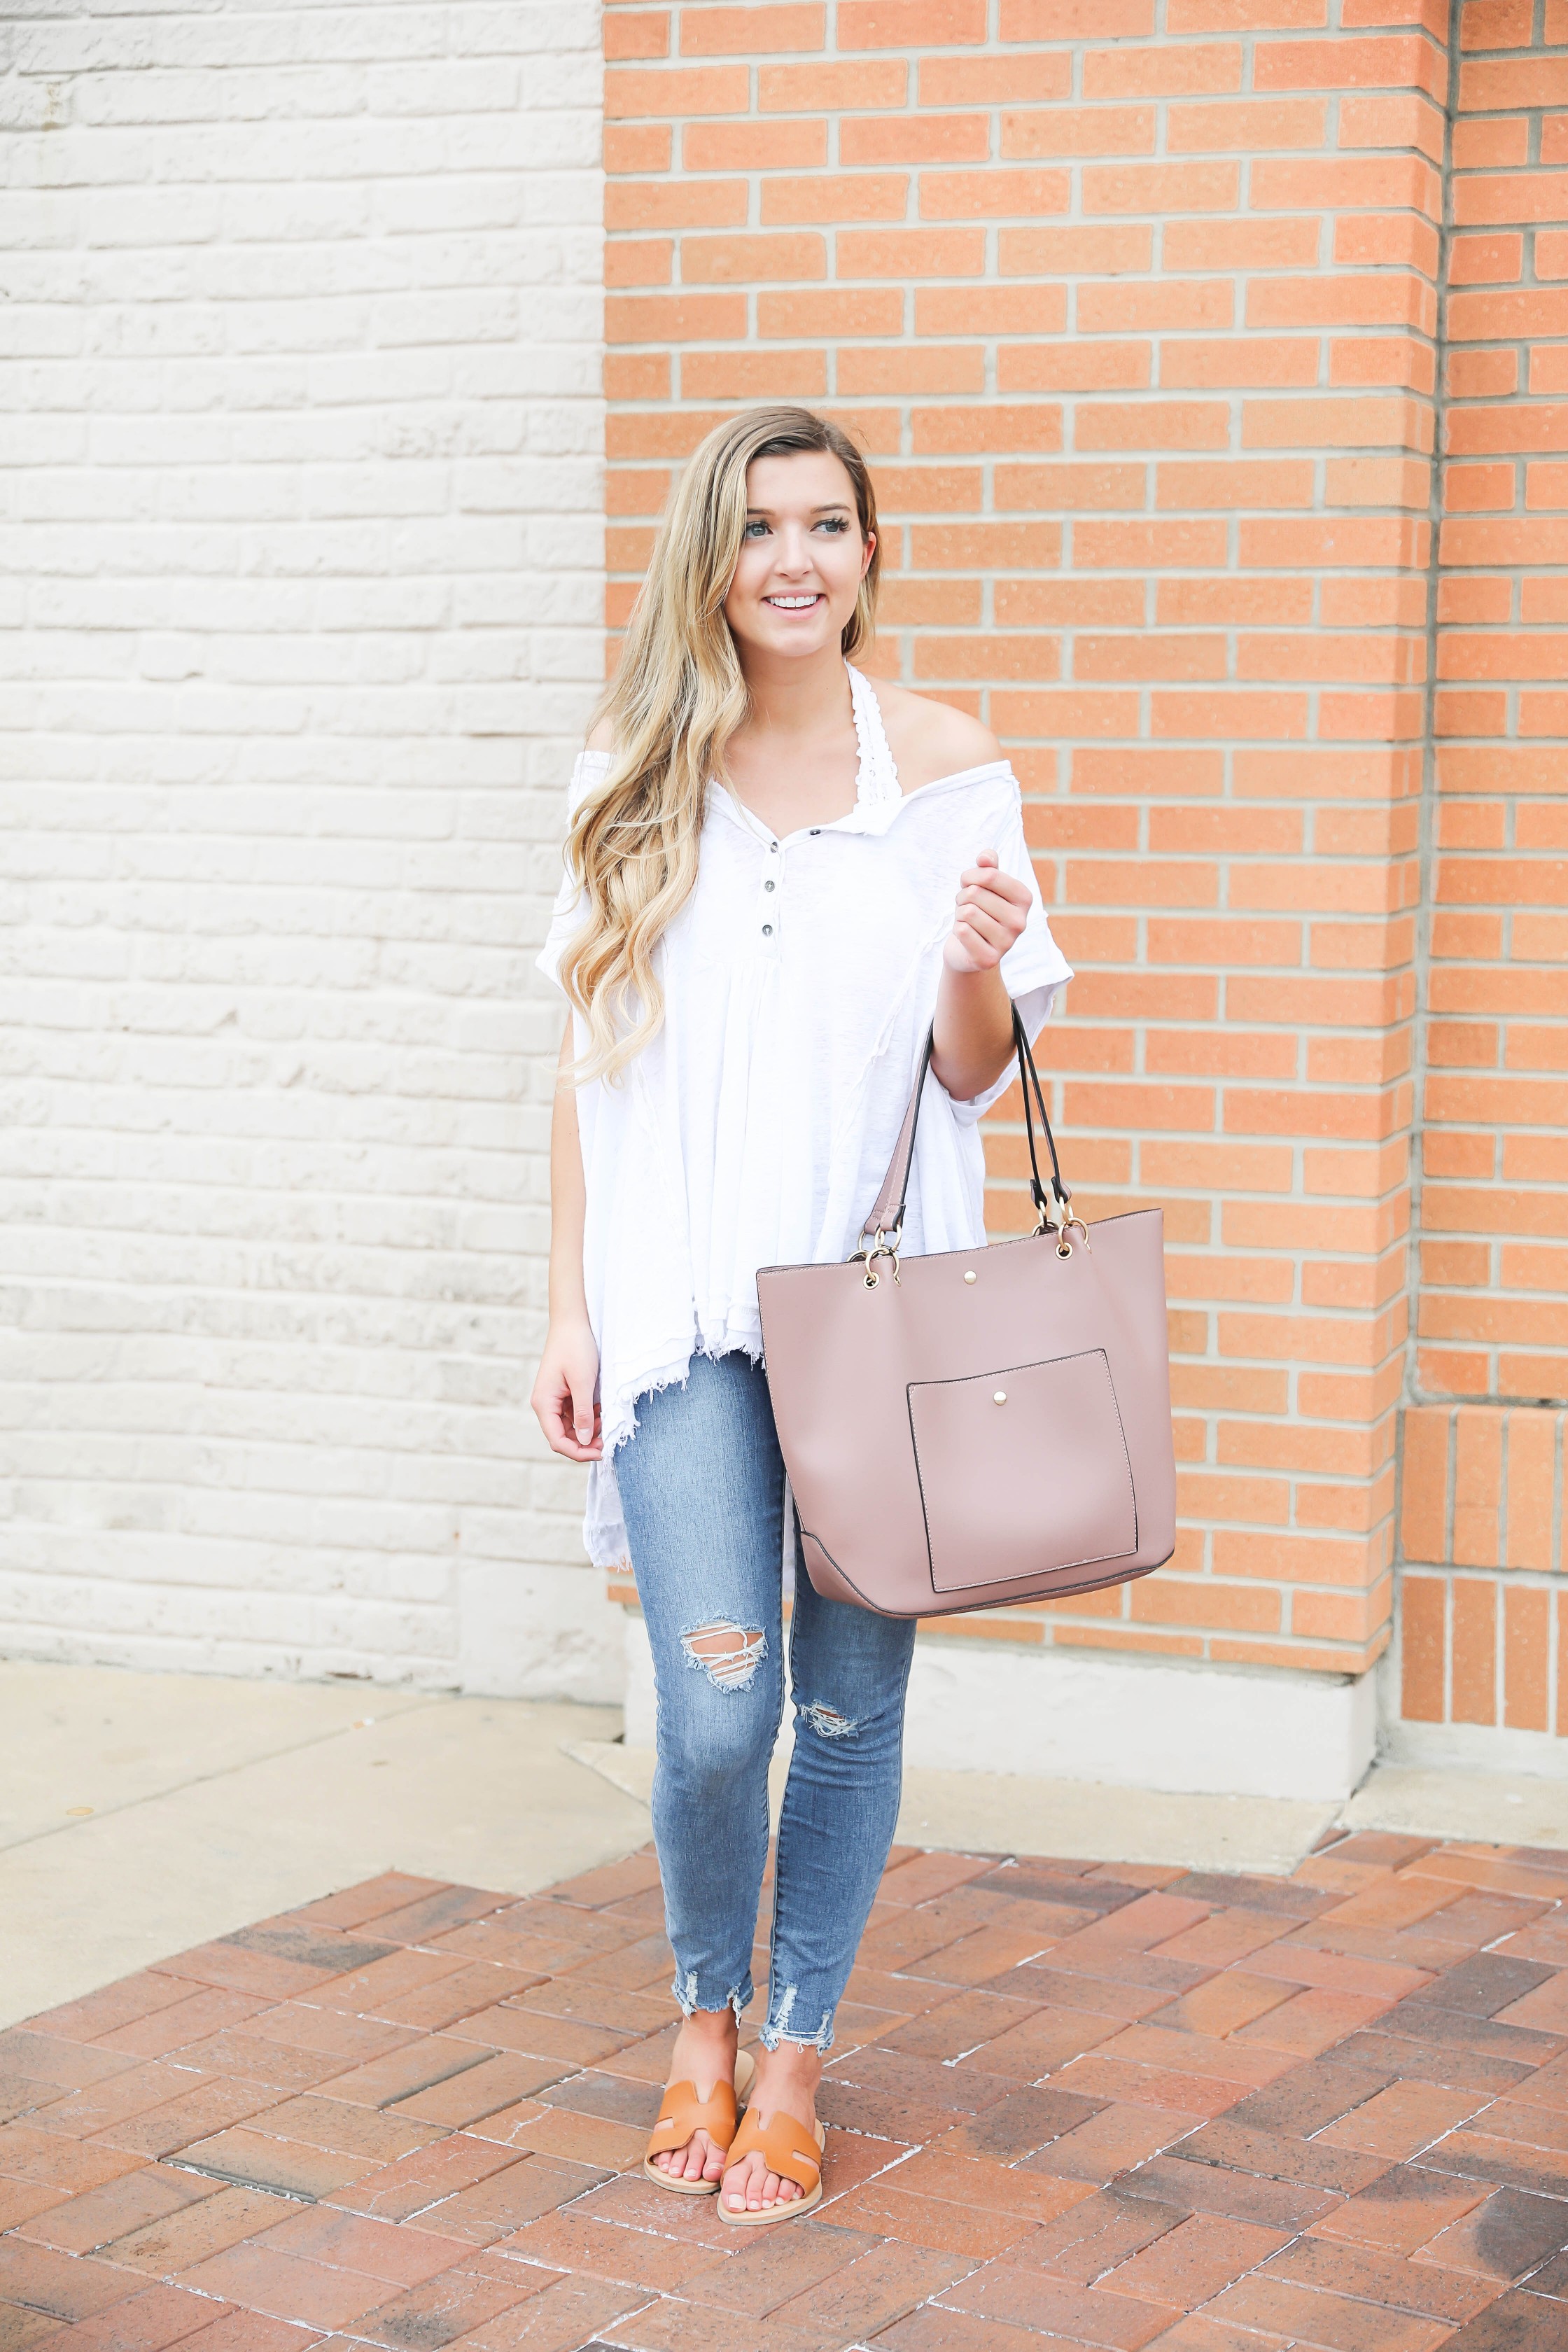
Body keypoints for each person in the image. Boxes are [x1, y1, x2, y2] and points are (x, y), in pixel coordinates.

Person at [531, 405, 1071, 2226]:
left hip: (876, 1318)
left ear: (866, 552)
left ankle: (793, 2055)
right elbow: (587, 1060)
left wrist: (978, 956)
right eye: (758, 527)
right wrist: (566, 1311)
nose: (792, 559)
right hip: (680, 1310)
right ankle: (701, 2004)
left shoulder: (944, 771)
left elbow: (977, 1077)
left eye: (826, 525)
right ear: (714, 552)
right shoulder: (632, 768)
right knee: (712, 1707)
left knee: (843, 1714)